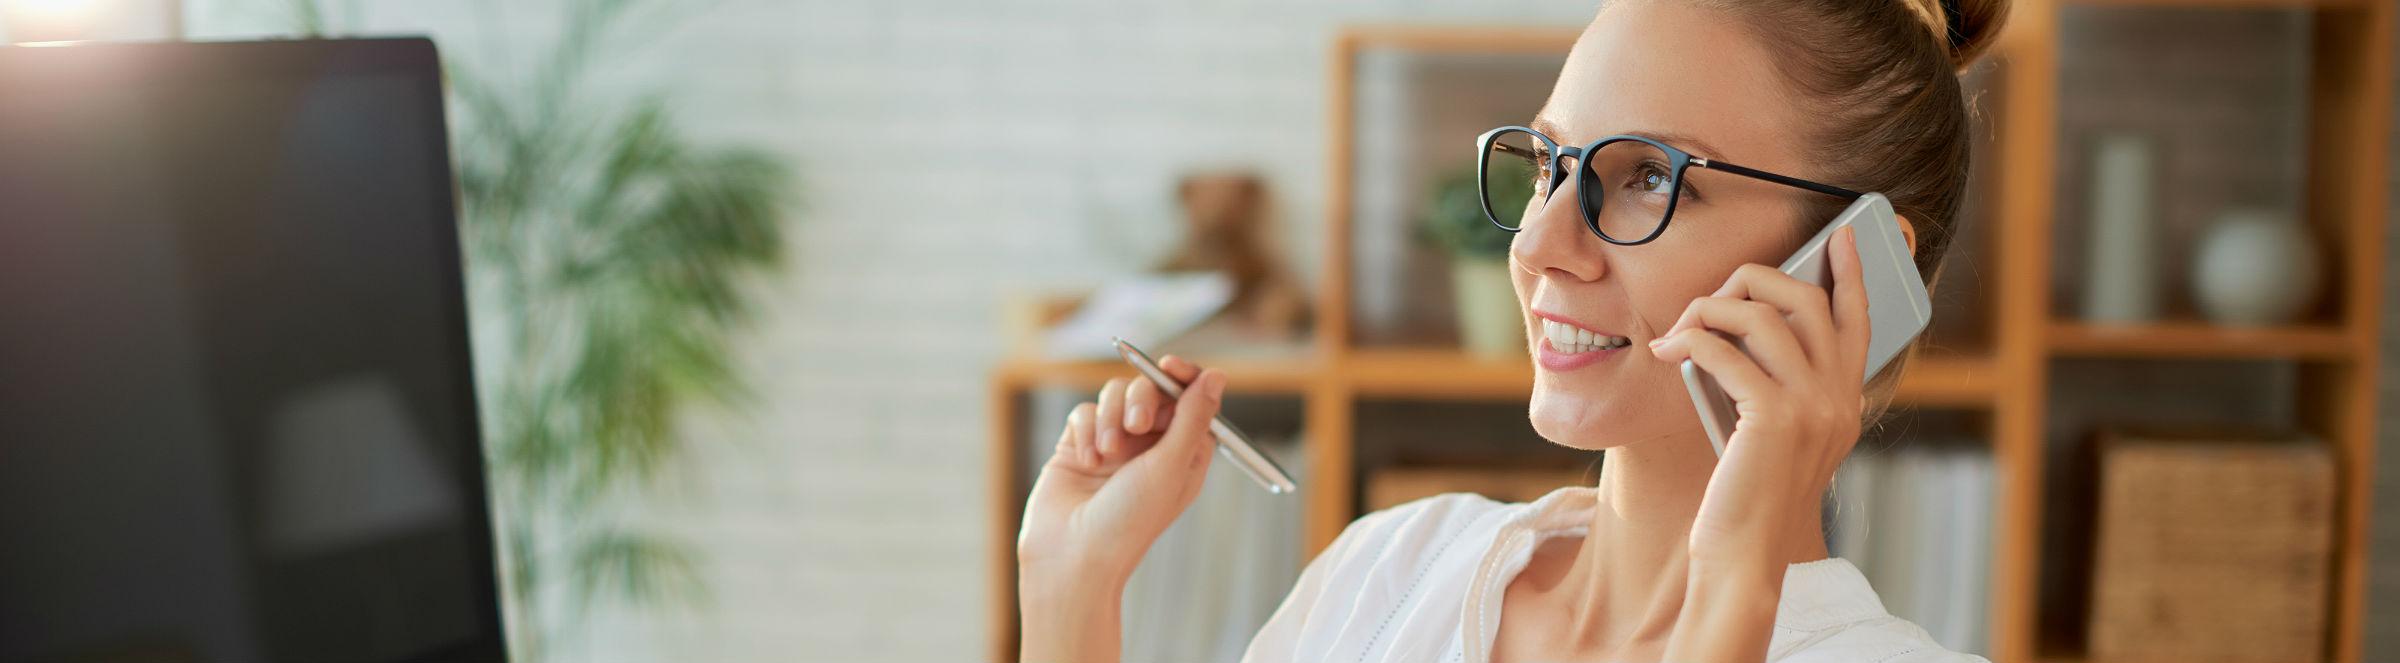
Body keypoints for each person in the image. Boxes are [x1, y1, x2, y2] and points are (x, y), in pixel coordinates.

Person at [1015, 0, 2007, 660]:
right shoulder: (1394, 571)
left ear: (1850, 269)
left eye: (1651, 177)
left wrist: (1737, 594)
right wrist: (1069, 587)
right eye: (1548, 164)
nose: (1538, 245)